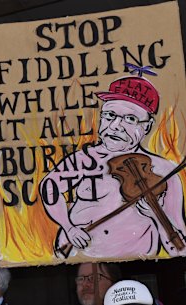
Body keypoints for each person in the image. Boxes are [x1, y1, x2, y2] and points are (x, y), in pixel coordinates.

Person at [40, 73, 186, 259]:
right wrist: (69, 228)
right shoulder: (85, 159)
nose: (115, 126)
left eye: (130, 119)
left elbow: (179, 248)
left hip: (135, 264)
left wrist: (156, 215)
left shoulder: (164, 171)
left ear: (147, 127)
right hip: (79, 260)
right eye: (110, 115)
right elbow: (49, 187)